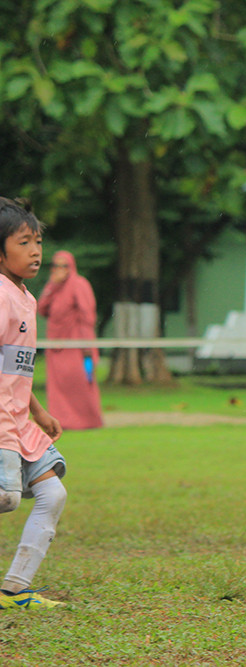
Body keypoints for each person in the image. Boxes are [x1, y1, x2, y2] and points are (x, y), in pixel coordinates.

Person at [0, 197, 67, 610]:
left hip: (18, 421)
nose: (35, 251)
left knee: (53, 494)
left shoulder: (25, 297)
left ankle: (13, 590)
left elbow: (13, 368)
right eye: (23, 243)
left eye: (37, 241)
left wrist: (37, 411)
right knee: (6, 497)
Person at [37, 250, 103, 430]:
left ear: (71, 267)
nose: (60, 269)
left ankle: (88, 422)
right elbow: (41, 309)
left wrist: (87, 346)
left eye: (64, 266)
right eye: (56, 266)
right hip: (55, 347)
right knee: (58, 387)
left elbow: (87, 316)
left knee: (81, 382)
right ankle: (61, 421)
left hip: (77, 345)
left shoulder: (80, 284)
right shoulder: (53, 288)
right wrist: (51, 286)